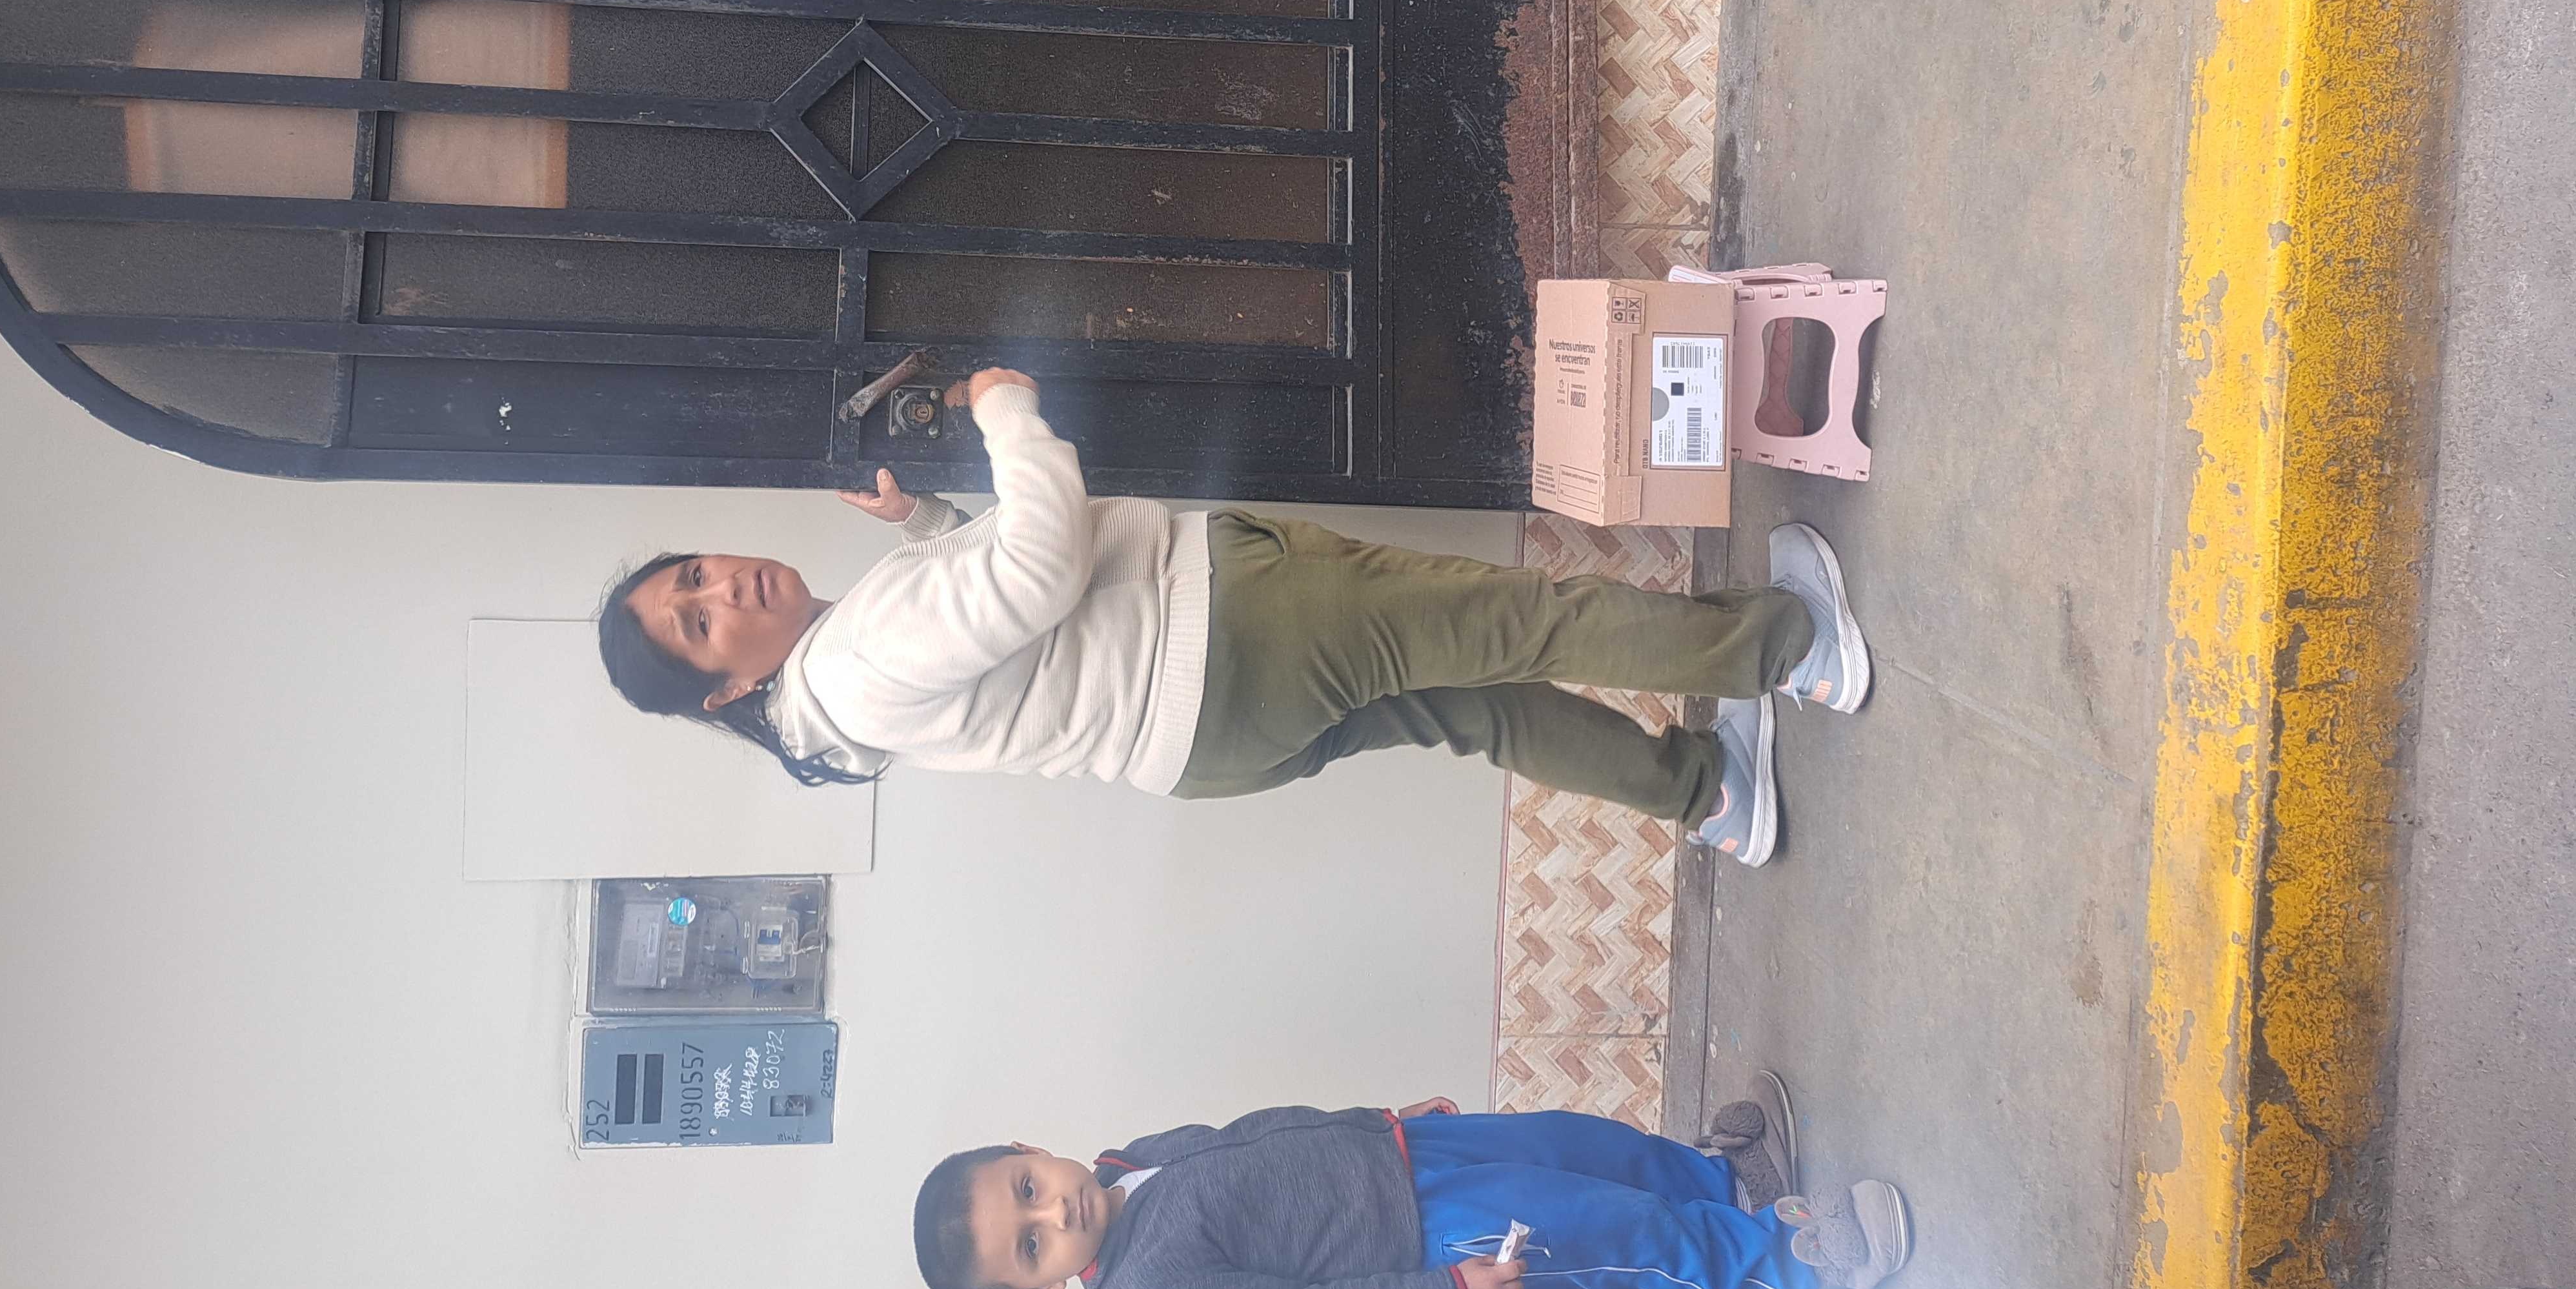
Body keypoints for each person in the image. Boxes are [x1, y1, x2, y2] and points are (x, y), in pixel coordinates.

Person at [595, 367, 1875, 864]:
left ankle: (1706, 794)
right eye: (697, 625)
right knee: (1517, 621)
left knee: (1481, 710)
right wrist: (1004, 410)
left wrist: (925, 523)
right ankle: (1793, 651)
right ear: (725, 689)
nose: (723, 590)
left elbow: (998, 640)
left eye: (694, 574)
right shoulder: (859, 655)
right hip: (1230, 636)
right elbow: (1039, 569)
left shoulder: (839, 693)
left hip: (1208, 738)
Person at [908, 1086, 1909, 1289]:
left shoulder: (1132, 1161)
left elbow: (1269, 1132)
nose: (1056, 1209)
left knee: (1580, 1148)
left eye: (1027, 1187)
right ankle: (1786, 1263)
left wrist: (1379, 1120)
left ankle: (1720, 1186)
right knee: (1604, 1230)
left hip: (1411, 1154)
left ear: (1027, 1148)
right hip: (1431, 1243)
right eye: (1032, 1245)